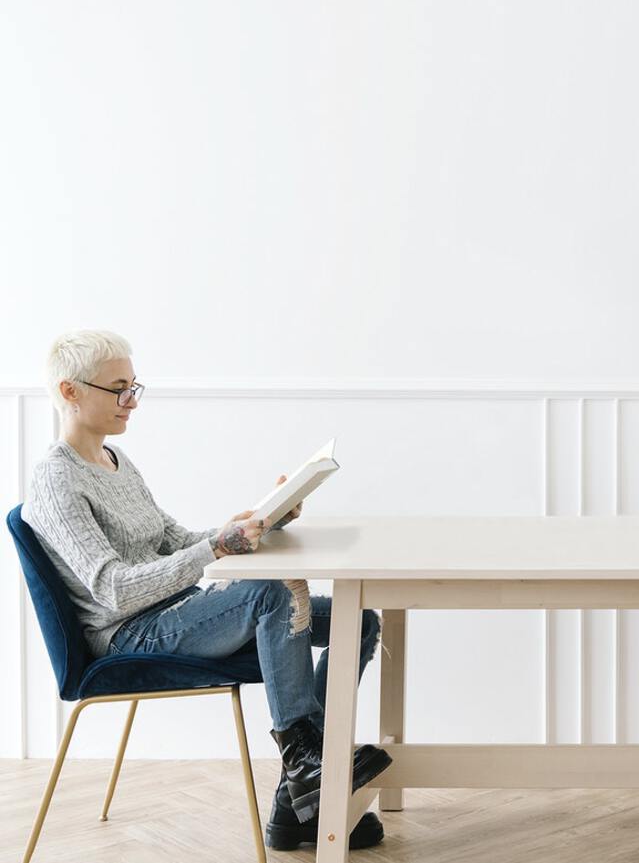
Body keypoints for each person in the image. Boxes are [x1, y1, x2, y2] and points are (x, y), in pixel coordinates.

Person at [21, 330, 391, 850]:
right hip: (129, 634)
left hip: (178, 612)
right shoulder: (56, 480)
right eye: (119, 389)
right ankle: (307, 763)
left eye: (134, 387)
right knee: (269, 594)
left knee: (359, 621)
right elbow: (114, 591)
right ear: (70, 391)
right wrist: (216, 548)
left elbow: (178, 541)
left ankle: (301, 793)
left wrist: (260, 522)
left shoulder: (116, 462)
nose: (131, 401)